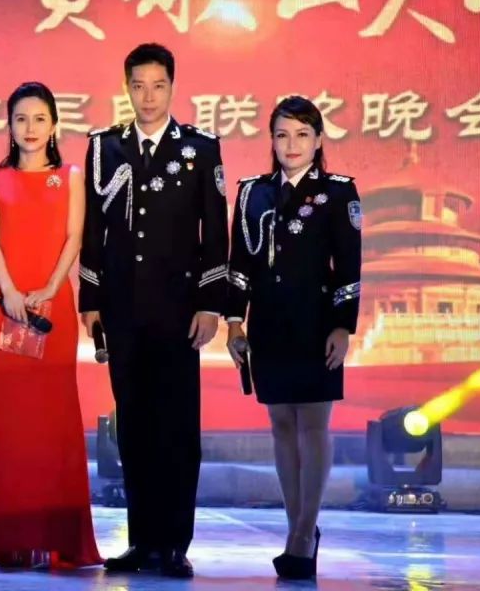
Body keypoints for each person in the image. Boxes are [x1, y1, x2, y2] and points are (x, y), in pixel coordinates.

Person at [79, 43, 229, 577]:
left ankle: (174, 545)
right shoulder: (104, 147)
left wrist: (210, 303)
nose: (148, 97)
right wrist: (91, 300)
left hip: (178, 311)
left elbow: (216, 231)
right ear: (126, 88)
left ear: (172, 87)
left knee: (177, 429)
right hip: (122, 310)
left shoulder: (200, 148)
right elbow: (92, 229)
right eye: (138, 86)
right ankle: (142, 542)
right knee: (135, 428)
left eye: (158, 86)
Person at [224, 95, 361, 581]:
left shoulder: (338, 192)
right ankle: (295, 527)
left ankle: (304, 533)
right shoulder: (253, 193)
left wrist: (343, 325)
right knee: (281, 424)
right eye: (282, 135)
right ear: (271, 140)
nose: (292, 144)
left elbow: (349, 265)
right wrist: (234, 322)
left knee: (313, 426)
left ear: (319, 140)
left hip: (317, 323)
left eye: (302, 134)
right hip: (269, 324)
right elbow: (240, 263)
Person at [0, 82, 101, 569]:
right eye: (21, 118)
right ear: (9, 125)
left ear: (54, 125)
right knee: (12, 426)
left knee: (52, 423)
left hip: (53, 310)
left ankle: (55, 536)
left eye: (39, 118)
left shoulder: (69, 177)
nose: (30, 128)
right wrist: (11, 291)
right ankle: (11, 538)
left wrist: (48, 288)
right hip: (5, 309)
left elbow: (74, 237)